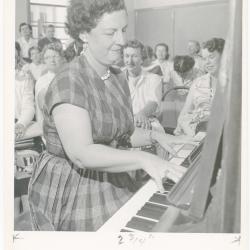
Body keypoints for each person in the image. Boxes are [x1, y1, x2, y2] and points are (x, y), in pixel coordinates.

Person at [28, 0, 194, 231]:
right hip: (75, 188)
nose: (122, 41)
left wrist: (158, 137)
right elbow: (82, 153)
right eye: (110, 33)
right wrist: (144, 158)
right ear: (84, 34)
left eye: (123, 30)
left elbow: (120, 132)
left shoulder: (115, 75)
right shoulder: (70, 81)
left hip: (111, 173)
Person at [174, 38, 225, 136]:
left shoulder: (235, 85)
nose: (207, 62)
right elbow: (185, 111)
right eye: (204, 58)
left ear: (224, 57)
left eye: (211, 57)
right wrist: (180, 127)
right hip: (194, 133)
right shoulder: (198, 82)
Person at [24, 43, 65, 140]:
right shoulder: (43, 81)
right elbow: (46, 109)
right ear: (44, 60)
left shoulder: (66, 77)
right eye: (48, 57)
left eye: (55, 56)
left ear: (62, 58)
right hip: (50, 133)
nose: (52, 60)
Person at [123, 40, 163, 132]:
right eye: (127, 56)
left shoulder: (154, 78)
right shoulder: (116, 79)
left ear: (142, 58)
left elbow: (153, 103)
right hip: (124, 123)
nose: (130, 61)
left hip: (148, 121)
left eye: (135, 56)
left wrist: (142, 114)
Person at [15, 42, 35, 140]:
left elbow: (28, 106)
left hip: (16, 123)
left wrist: (21, 124)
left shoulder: (24, 79)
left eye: (14, 57)